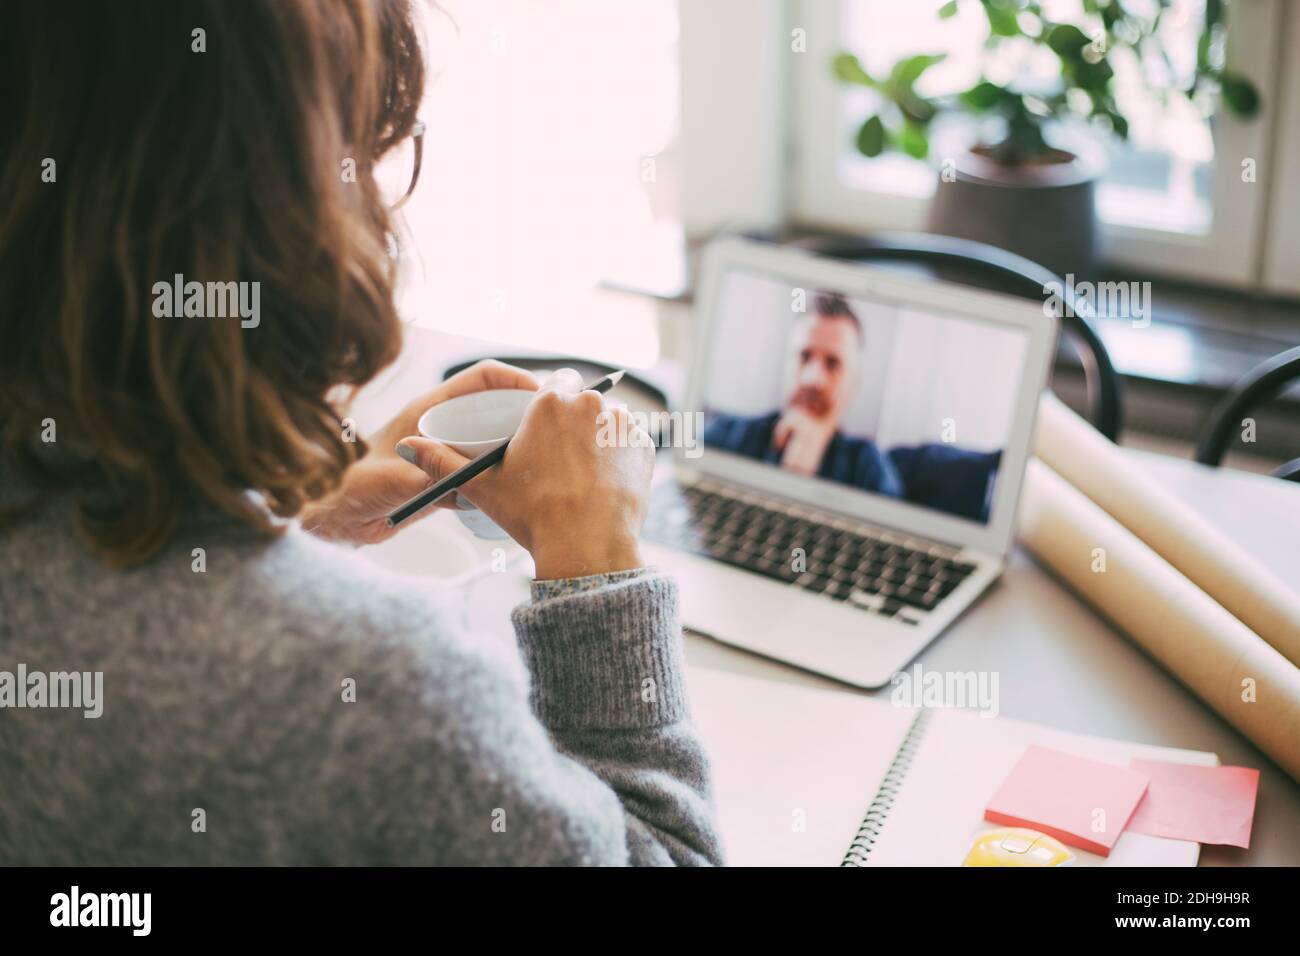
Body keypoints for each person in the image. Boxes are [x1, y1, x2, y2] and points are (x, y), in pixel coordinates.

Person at [0, 0, 721, 866]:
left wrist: (294, 512)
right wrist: (596, 569)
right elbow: (664, 855)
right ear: (285, 209)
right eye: (374, 150)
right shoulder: (380, 695)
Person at [705, 292, 903, 496]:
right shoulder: (727, 434)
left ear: (854, 382)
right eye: (804, 357)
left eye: (832, 364)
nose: (813, 379)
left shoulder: (869, 468)